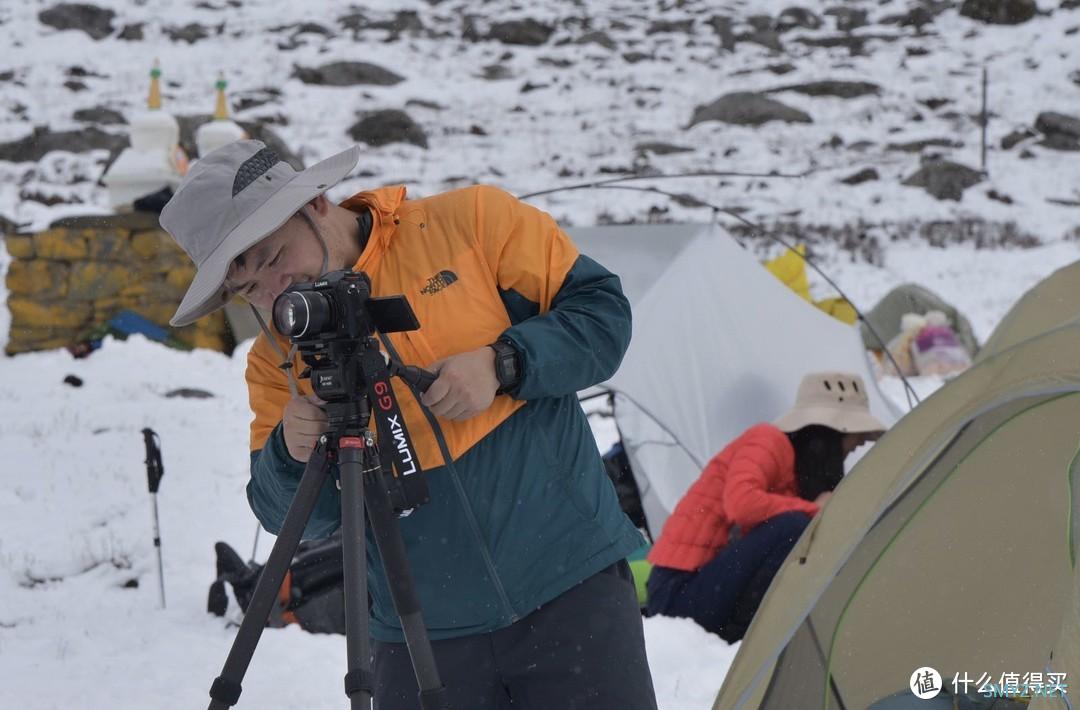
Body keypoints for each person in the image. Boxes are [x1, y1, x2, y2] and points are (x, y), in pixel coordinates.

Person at [158, 140, 657, 709]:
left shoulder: (471, 223)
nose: (277, 293)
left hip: (572, 591)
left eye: (273, 259)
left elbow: (603, 317)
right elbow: (288, 517)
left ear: (315, 202)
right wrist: (292, 454)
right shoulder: (276, 362)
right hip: (419, 634)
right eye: (249, 289)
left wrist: (505, 362)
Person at [644, 372, 886, 643]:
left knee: (801, 530)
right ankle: (746, 639)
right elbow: (741, 504)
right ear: (831, 433)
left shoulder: (799, 469)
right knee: (794, 527)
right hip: (677, 595)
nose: (850, 452)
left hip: (706, 591)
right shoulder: (767, 439)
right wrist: (813, 508)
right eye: (850, 444)